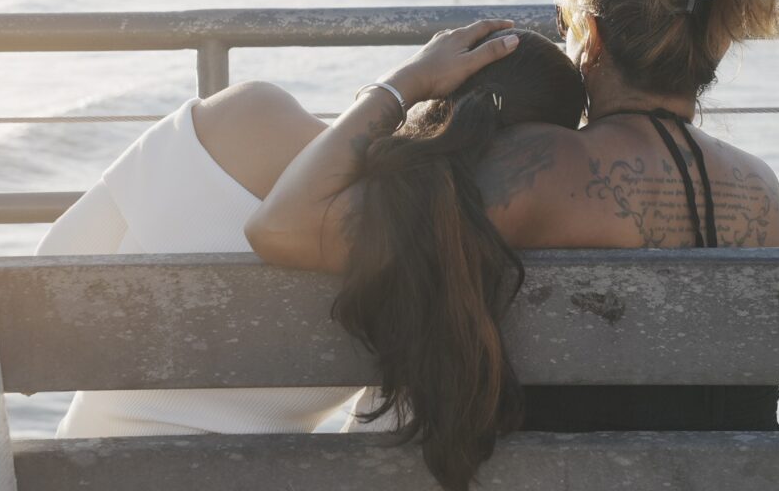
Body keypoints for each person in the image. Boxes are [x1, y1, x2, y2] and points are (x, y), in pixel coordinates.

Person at [245, 0, 779, 490]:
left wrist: (404, 83)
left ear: (590, 35)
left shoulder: (543, 166)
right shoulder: (760, 192)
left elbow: (282, 226)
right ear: (714, 42)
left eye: (565, 23)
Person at [34, 28, 584, 443]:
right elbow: (373, 444)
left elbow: (49, 283)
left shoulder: (246, 116)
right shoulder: (450, 264)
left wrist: (398, 85)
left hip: (81, 470)